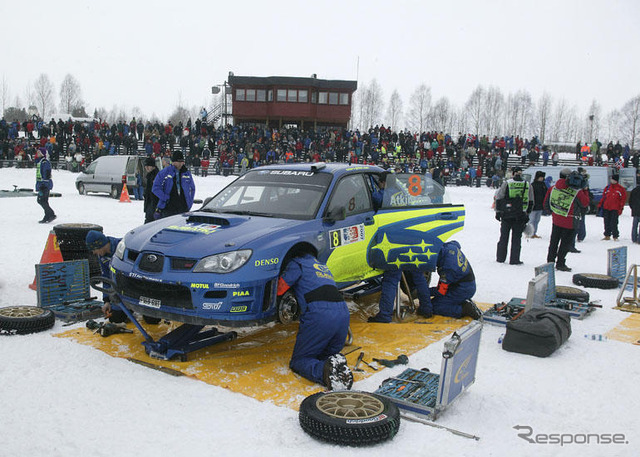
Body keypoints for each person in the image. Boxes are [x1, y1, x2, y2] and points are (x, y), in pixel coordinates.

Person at [277, 251, 353, 390]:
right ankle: (337, 369)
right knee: (326, 357)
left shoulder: (297, 263)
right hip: (343, 314)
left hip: (320, 314)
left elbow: (280, 288)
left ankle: (326, 373)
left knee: (300, 360)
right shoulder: (322, 266)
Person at [368, 172, 433, 322]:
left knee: (391, 278)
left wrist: (373, 186)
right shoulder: (405, 193)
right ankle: (427, 308)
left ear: (384, 182)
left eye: (380, 183)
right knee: (418, 276)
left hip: (395, 241)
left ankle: (384, 315)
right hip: (411, 236)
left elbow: (375, 198)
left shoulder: (385, 194)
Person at [543, 168, 590, 271]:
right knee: (565, 244)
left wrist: (553, 212)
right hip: (570, 221)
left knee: (554, 242)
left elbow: (546, 202)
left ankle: (550, 261)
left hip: (556, 219)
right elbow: (585, 203)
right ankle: (560, 263)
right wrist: (585, 190)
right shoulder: (576, 191)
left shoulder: (553, 188)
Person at [429, 241, 481, 319]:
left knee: (434, 306)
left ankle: (464, 309)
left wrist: (425, 292)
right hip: (464, 283)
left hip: (463, 289)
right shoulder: (449, 247)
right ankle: (462, 302)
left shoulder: (448, 268)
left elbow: (440, 291)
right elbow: (457, 243)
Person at [494, 167, 533, 265]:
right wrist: (527, 213)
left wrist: (498, 212)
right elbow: (531, 200)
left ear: (513, 174)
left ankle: (500, 258)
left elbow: (499, 197)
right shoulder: (527, 185)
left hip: (507, 213)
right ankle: (515, 259)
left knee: (503, 237)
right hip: (520, 215)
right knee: (516, 238)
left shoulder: (507, 183)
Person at [86, 230, 127, 322]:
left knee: (151, 319)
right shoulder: (102, 256)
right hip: (120, 290)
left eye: (94, 250)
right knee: (115, 318)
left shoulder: (122, 247)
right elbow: (106, 278)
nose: (93, 253)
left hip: (133, 288)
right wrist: (107, 300)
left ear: (99, 245)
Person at [152, 151, 195, 219]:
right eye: (179, 162)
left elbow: (192, 189)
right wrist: (165, 198)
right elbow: (155, 188)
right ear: (173, 162)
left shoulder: (187, 173)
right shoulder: (165, 172)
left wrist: (189, 202)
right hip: (168, 208)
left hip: (183, 208)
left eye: (182, 162)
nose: (181, 164)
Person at [598, 172, 627, 241]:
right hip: (606, 207)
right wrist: (600, 205)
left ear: (616, 180)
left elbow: (623, 200)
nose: (611, 180)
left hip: (615, 208)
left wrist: (620, 208)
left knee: (614, 223)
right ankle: (607, 235)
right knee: (606, 222)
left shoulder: (621, 189)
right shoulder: (607, 188)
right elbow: (603, 197)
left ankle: (615, 236)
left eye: (613, 179)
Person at [35, 148, 56, 223]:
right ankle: (47, 215)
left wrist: (44, 184)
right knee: (44, 201)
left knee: (41, 200)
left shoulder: (45, 162)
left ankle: (51, 214)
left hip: (44, 185)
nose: (37, 153)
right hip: (42, 184)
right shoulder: (41, 162)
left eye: (39, 152)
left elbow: (46, 174)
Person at [529, 170, 547, 239]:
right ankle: (530, 233)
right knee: (532, 220)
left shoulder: (543, 185)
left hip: (540, 206)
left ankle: (534, 233)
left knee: (537, 220)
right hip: (533, 206)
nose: (541, 178)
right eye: (540, 177)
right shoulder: (533, 185)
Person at [143, 156, 159, 223]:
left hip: (154, 205)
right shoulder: (149, 176)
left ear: (153, 166)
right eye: (145, 166)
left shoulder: (156, 176)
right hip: (149, 205)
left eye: (148, 166)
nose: (146, 167)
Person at [630, 176, 640, 244]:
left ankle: (634, 238)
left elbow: (630, 201)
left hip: (635, 210)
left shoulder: (634, 190)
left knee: (634, 226)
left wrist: (633, 208)